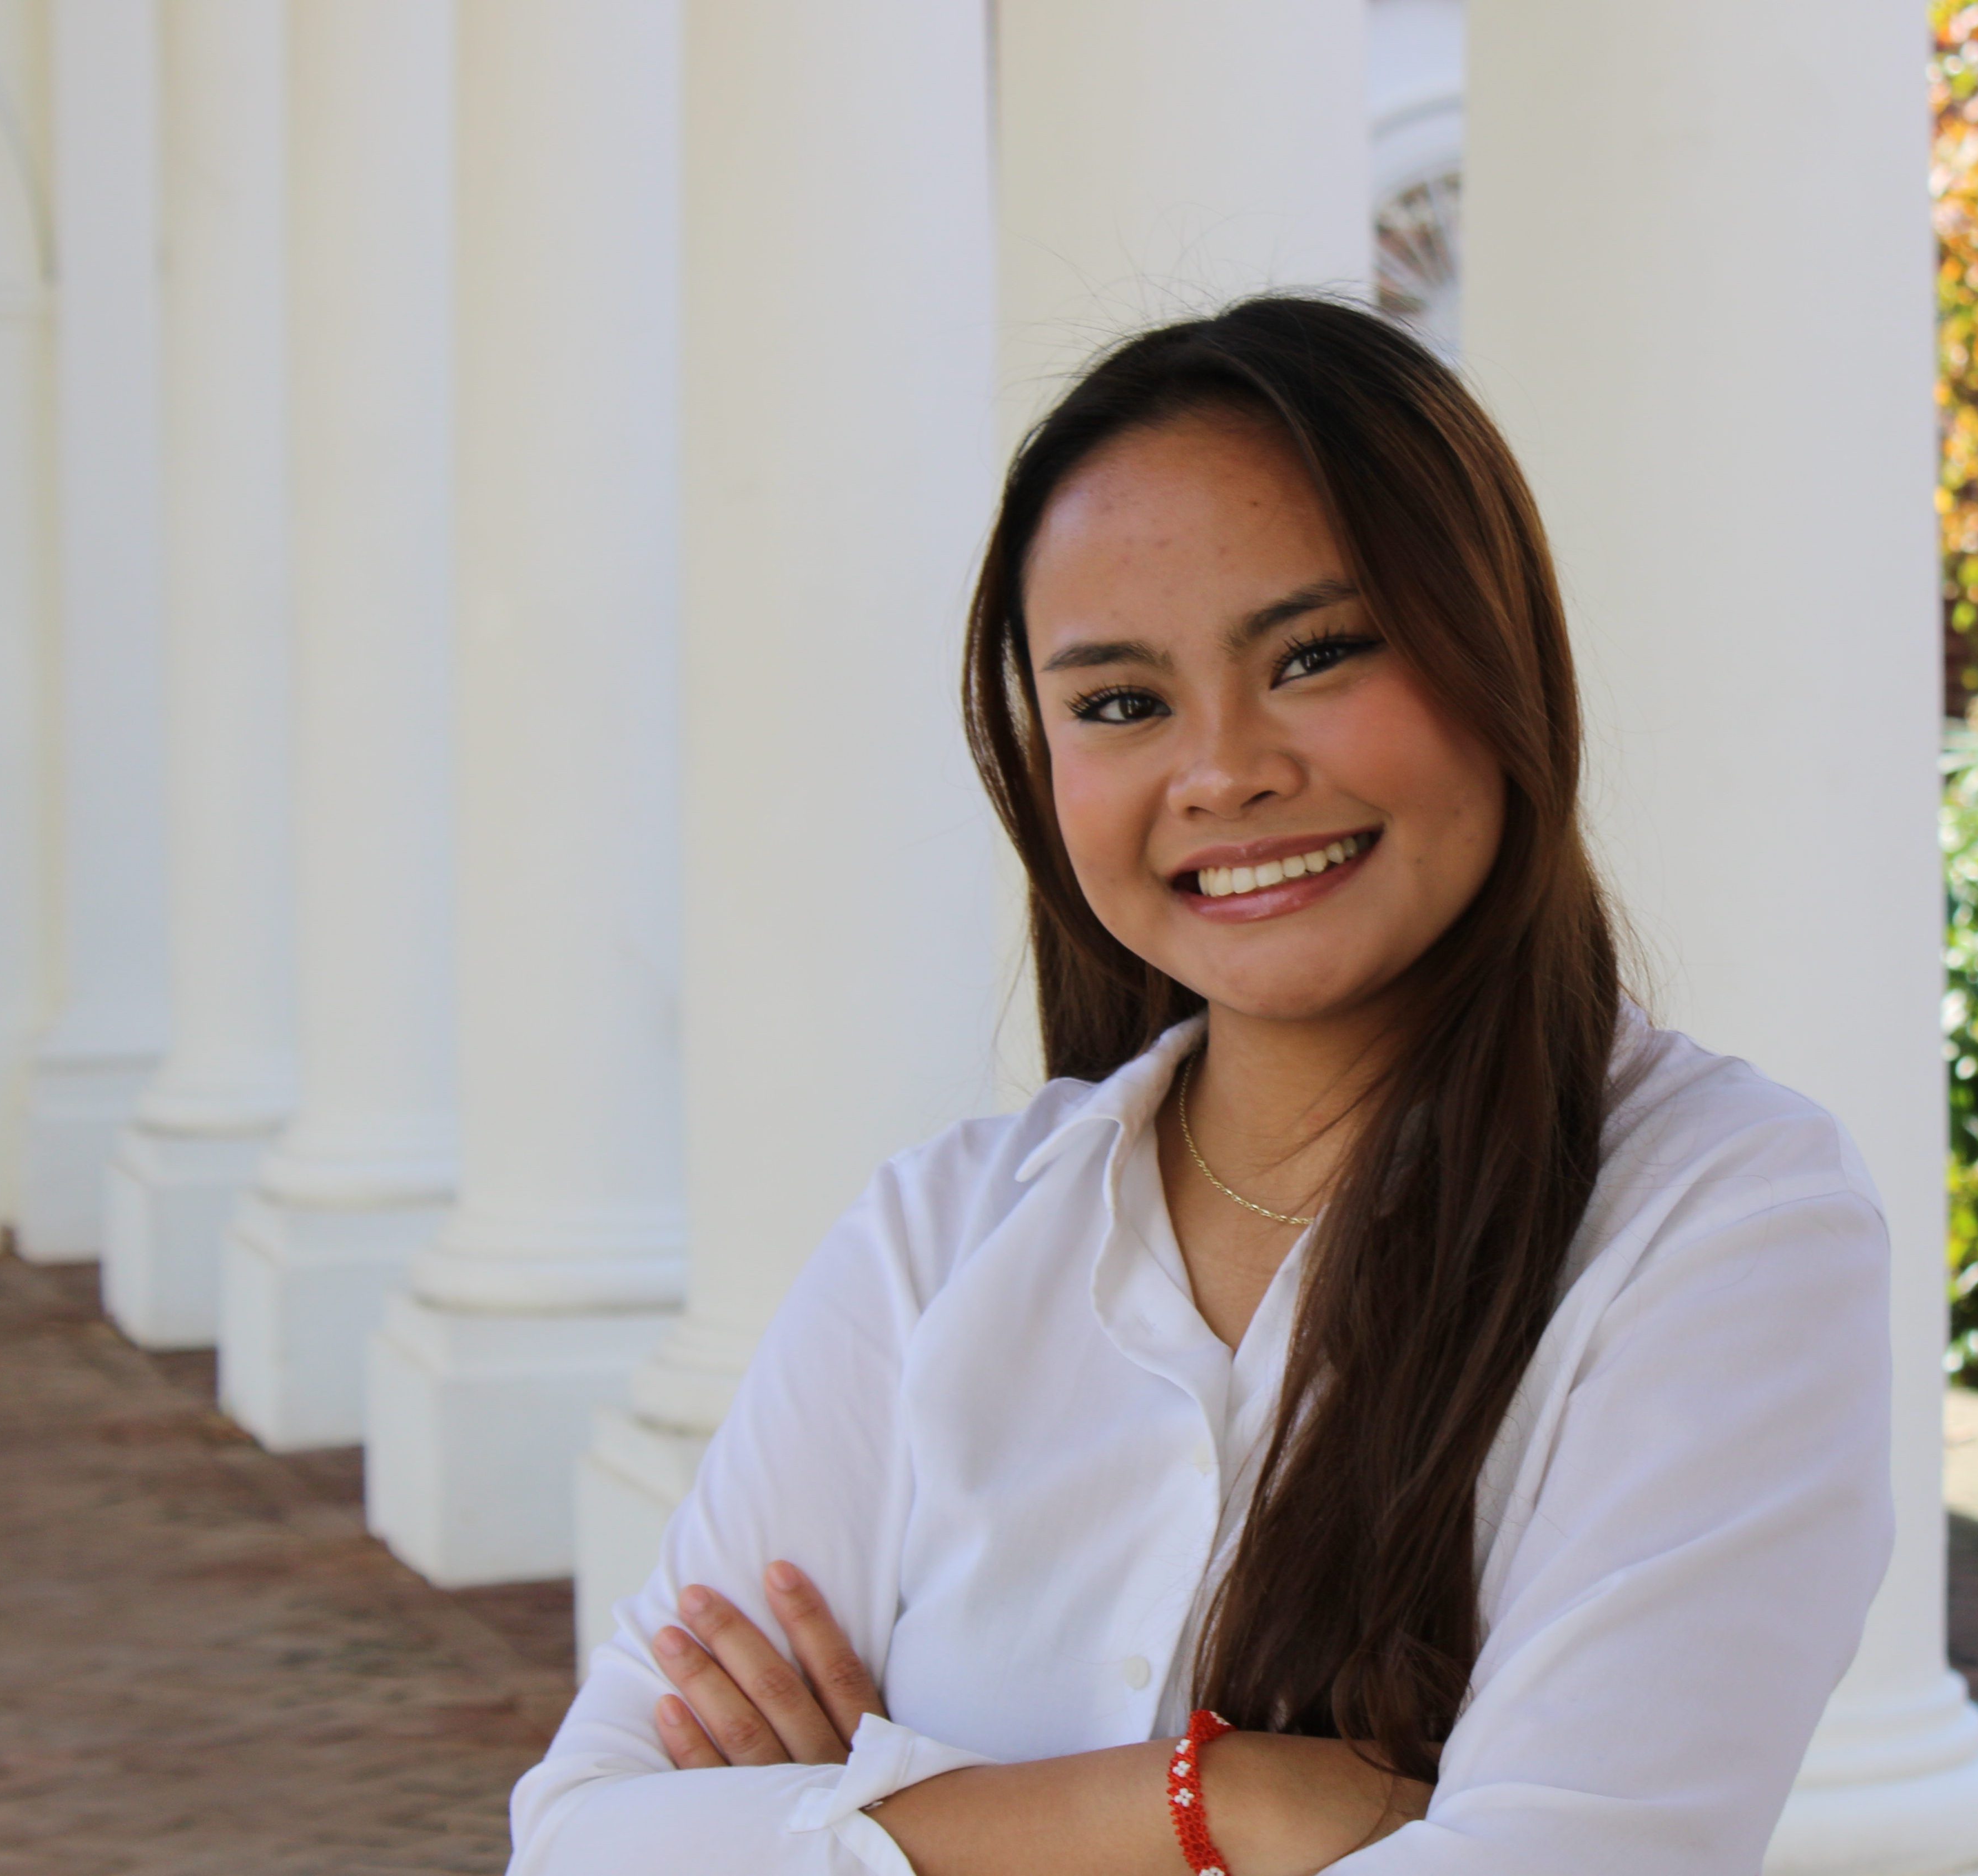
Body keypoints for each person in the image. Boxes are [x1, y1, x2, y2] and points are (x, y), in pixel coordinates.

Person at [505, 296, 1895, 1876]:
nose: (1225, 769)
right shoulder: (941, 1237)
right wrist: (1211, 1801)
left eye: (1317, 655)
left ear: (1496, 650)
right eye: (1120, 704)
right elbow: (581, 1841)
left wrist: (863, 1823)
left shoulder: (1726, 1226)